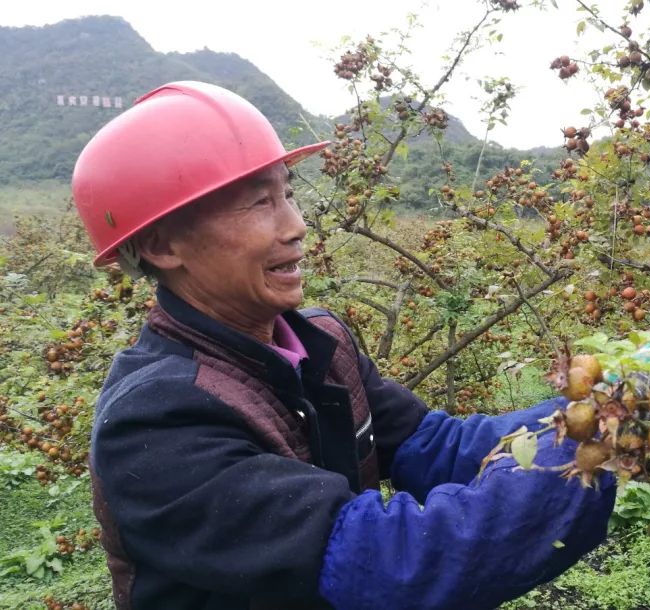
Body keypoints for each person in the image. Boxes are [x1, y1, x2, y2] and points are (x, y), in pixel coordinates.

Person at [71, 81, 615, 610]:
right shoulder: (155, 422)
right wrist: (584, 454)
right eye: (260, 204)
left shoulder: (323, 343)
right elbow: (386, 562)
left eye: (288, 194)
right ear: (163, 245)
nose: (297, 225)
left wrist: (593, 413)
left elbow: (437, 447)